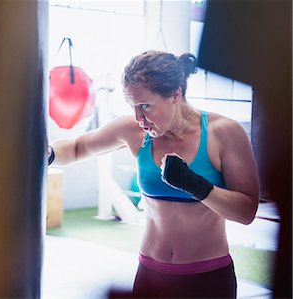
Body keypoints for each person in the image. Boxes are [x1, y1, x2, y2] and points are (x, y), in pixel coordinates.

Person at [48, 50, 259, 298]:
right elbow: (77, 147)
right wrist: (47, 153)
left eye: (145, 106)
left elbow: (246, 211)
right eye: (132, 107)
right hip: (151, 275)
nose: (139, 118)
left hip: (206, 278)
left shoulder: (223, 132)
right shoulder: (135, 131)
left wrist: (195, 185)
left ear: (175, 95)